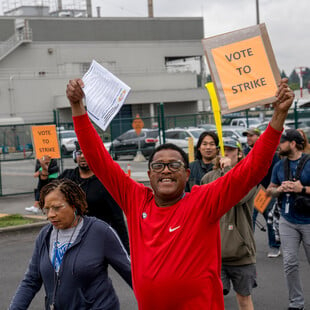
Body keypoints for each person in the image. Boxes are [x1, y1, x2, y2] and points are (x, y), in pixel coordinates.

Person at [66, 77, 294, 309]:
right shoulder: (135, 200)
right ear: (149, 174)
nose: (166, 170)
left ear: (186, 174)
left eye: (174, 165)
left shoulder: (203, 201)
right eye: (158, 166)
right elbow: (98, 158)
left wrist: (278, 117)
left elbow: (251, 170)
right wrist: (77, 107)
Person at [9, 179, 132, 310]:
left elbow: (131, 273)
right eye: (46, 209)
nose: (51, 215)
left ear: (74, 205)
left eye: (57, 208)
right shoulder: (45, 235)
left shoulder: (100, 232)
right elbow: (31, 281)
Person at [37, 141, 130, 253]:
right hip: (68, 238)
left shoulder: (105, 181)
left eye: (86, 153)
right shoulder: (68, 176)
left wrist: (127, 251)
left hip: (95, 240)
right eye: (79, 153)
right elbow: (47, 194)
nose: (82, 156)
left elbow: (117, 218)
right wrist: (45, 171)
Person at [201, 137, 257, 310]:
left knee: (243, 298)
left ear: (239, 153)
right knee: (212, 299)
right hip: (215, 253)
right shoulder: (208, 178)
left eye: (231, 150)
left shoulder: (248, 177)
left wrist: (229, 171)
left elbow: (235, 197)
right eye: (223, 150)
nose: (226, 154)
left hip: (241, 253)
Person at [267, 129, 310, 310]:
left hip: (308, 220)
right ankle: (296, 302)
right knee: (290, 262)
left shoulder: (308, 162)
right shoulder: (279, 165)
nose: (279, 145)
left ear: (293, 143)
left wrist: (301, 189)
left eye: (282, 142)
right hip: (287, 220)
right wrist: (280, 190)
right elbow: (269, 189)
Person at [243, 127, 281, 258]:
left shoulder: (268, 151)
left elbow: (275, 169)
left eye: (251, 135)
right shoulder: (245, 152)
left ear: (258, 137)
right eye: (247, 135)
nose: (248, 138)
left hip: (265, 190)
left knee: (269, 219)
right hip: (251, 191)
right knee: (250, 219)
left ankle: (275, 246)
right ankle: (248, 247)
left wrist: (270, 187)